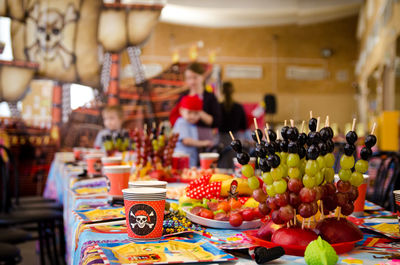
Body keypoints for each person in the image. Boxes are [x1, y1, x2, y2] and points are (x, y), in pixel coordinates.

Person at [170, 63, 221, 129]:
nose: (192, 81)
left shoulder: (210, 97)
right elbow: (175, 117)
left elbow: (217, 121)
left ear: (202, 77)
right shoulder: (183, 96)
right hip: (186, 133)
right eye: (189, 78)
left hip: (204, 135)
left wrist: (198, 112)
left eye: (195, 77)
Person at [173, 95, 213, 167]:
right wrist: (204, 143)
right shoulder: (181, 122)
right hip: (182, 160)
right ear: (181, 111)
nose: (192, 116)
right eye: (189, 112)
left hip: (190, 161)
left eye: (196, 113)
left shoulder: (192, 125)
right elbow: (186, 141)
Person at [218, 81, 248, 168]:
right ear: (233, 91)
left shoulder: (219, 106)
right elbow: (244, 125)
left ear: (222, 92)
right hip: (236, 138)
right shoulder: (238, 107)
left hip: (221, 138)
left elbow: (215, 123)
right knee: (236, 162)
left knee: (223, 164)